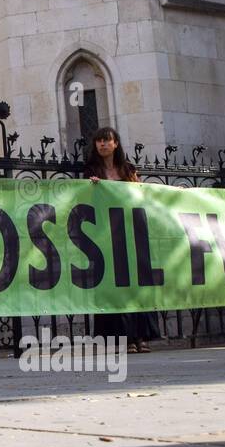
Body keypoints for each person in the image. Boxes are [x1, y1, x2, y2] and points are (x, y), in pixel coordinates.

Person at [84, 126, 160, 353]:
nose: (103, 144)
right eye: (99, 141)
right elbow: (86, 198)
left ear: (116, 143)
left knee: (137, 283)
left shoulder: (128, 169)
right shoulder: (91, 169)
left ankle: (140, 337)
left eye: (107, 140)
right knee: (114, 284)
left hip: (132, 229)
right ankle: (122, 339)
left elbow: (139, 196)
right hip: (107, 233)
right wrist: (93, 186)